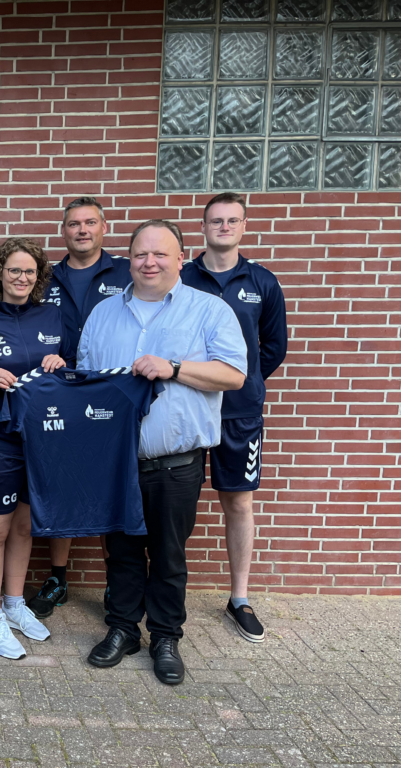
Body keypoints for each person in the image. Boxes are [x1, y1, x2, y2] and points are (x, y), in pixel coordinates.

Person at [80, 220, 247, 686]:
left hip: (175, 464)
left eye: (160, 254)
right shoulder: (103, 314)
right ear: (129, 259)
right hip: (117, 463)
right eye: (140, 254)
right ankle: (123, 629)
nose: (149, 262)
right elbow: (87, 380)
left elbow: (233, 375)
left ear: (180, 259)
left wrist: (172, 367)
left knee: (169, 556)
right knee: (121, 552)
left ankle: (166, 637)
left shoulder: (209, 310)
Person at [181, 193, 287, 643]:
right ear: (203, 227)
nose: (223, 227)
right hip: (186, 405)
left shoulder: (262, 282)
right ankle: (164, 592)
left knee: (239, 502)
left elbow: (273, 347)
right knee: (174, 502)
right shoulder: (182, 277)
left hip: (239, 413)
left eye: (232, 221)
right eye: (216, 221)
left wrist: (243, 380)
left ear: (244, 226)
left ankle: (239, 598)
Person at [0, 237, 68, 660]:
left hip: (40, 440)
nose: (22, 278)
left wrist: (62, 365)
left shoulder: (53, 316)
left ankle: (15, 603)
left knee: (24, 529)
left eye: (30, 272)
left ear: (39, 277)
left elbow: (75, 369)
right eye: (14, 270)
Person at [30, 196, 133, 619]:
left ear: (104, 227)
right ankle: (58, 577)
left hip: (110, 395)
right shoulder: (46, 278)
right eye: (74, 224)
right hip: (60, 396)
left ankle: (114, 582)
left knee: (110, 484)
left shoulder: (125, 272)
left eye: (90, 222)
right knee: (62, 482)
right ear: (64, 231)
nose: (82, 230)